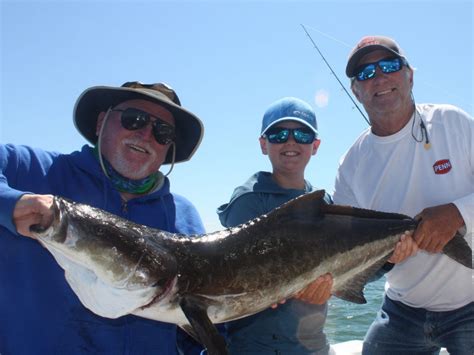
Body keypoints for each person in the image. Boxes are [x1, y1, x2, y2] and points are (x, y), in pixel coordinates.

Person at [0, 81, 207, 354]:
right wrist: (10, 203)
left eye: (163, 131)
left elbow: (200, 326)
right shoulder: (29, 170)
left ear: (169, 147)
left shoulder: (185, 217)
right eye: (134, 119)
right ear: (101, 123)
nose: (146, 134)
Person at [333, 35, 474, 354]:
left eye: (389, 65)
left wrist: (456, 214)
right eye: (366, 73)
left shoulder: (453, 122)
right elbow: (347, 251)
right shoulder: (351, 165)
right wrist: (384, 261)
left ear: (410, 74)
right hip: (402, 309)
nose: (379, 77)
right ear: (357, 91)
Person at [217, 97, 334, 355]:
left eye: (302, 134)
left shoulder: (323, 201)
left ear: (315, 146)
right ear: (263, 144)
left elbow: (335, 269)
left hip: (313, 347)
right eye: (279, 134)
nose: (290, 141)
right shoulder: (248, 200)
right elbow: (243, 280)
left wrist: (328, 287)